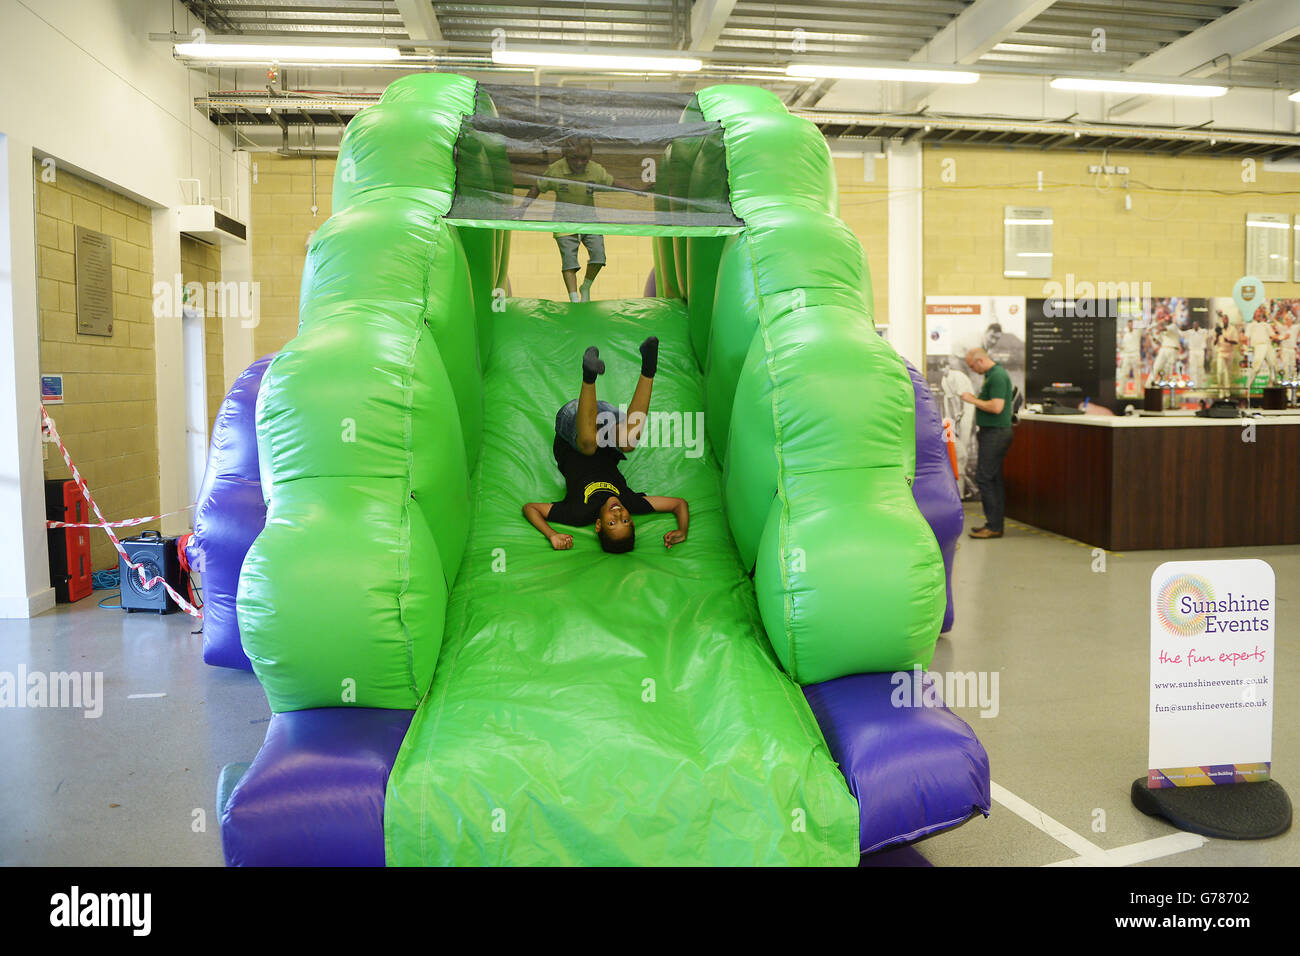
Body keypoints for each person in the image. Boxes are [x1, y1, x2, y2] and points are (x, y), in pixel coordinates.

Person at [522, 337, 689, 553]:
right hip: (608, 418)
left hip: (573, 421)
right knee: (628, 442)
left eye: (612, 523)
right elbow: (679, 504)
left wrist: (552, 535)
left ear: (599, 525)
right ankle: (649, 368)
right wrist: (682, 531)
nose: (619, 515)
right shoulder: (630, 502)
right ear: (632, 520)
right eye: (626, 521)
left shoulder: (578, 513)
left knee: (588, 445)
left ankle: (589, 376)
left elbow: (531, 508)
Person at [516, 137, 647, 303]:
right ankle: (574, 299)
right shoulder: (556, 170)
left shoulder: (595, 170)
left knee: (599, 257)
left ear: (590, 157)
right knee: (570, 262)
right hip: (564, 222)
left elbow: (613, 182)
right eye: (574, 158)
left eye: (584, 159)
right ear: (565, 155)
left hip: (589, 220)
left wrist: (636, 190)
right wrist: (522, 209)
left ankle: (585, 286)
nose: (579, 163)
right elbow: (537, 187)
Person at [961, 347, 1013, 539]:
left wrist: (972, 400)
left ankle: (993, 526)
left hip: (996, 433)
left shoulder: (997, 376)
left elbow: (997, 407)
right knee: (993, 478)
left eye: (972, 366)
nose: (972, 370)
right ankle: (994, 523)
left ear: (980, 361)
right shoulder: (992, 375)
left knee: (984, 478)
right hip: (992, 432)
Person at [1244, 306, 1280, 387]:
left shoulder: (1266, 324)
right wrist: (1244, 346)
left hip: (1268, 345)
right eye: (1257, 312)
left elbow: (1273, 335)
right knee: (1256, 367)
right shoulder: (1250, 325)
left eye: (1260, 312)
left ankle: (1271, 385)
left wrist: (1282, 337)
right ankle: (1247, 386)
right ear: (1254, 314)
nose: (1258, 314)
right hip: (1258, 346)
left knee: (1273, 365)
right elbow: (1246, 337)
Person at [1117, 319, 1142, 396]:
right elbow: (1124, 346)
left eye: (1131, 324)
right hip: (1127, 355)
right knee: (1123, 374)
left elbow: (1141, 325)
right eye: (1129, 324)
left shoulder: (1137, 332)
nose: (1130, 325)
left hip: (1135, 355)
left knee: (1136, 374)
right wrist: (1119, 346)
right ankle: (1120, 392)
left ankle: (1138, 393)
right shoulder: (1126, 335)